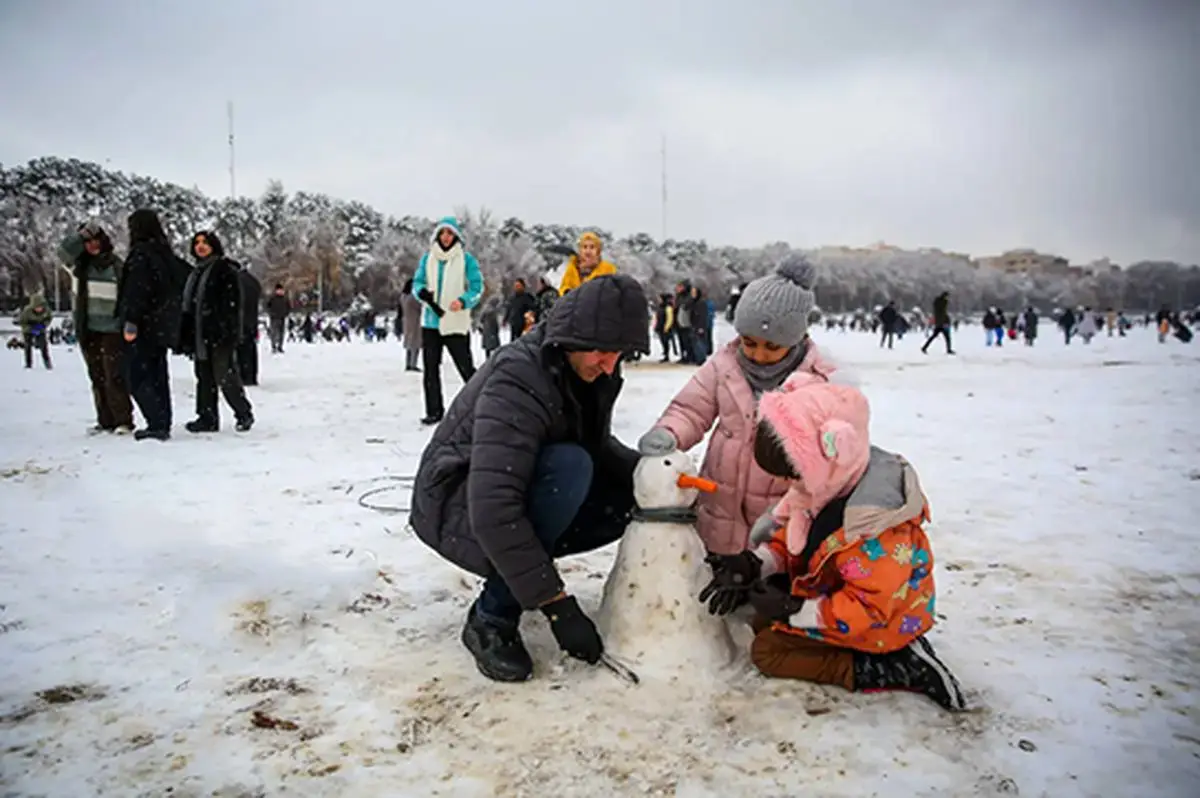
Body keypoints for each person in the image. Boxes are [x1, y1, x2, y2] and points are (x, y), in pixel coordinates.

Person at [409, 274, 649, 683]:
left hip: (520, 491)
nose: (611, 366)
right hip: (459, 505)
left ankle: (520, 576)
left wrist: (653, 478)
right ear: (575, 337)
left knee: (628, 491)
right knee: (570, 469)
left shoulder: (586, 371)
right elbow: (494, 507)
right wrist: (557, 606)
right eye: (604, 352)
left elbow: (597, 445)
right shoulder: (519, 377)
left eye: (620, 354)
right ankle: (491, 617)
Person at [699, 373, 967, 711]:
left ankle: (896, 665)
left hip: (882, 620)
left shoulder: (874, 529)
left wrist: (796, 609)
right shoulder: (824, 485)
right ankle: (846, 643)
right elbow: (794, 541)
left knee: (769, 652)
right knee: (762, 620)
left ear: (830, 451)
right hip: (838, 597)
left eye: (791, 473)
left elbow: (871, 606)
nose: (784, 483)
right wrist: (757, 563)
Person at [638, 256, 835, 557]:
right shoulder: (724, 365)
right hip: (721, 495)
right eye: (749, 341)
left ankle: (769, 570)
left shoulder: (818, 381)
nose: (758, 354)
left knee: (768, 561)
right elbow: (691, 409)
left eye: (772, 346)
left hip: (780, 505)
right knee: (717, 550)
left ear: (797, 339)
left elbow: (834, 450)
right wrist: (669, 432)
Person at [58, 220, 134, 433]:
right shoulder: (78, 267)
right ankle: (105, 419)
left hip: (112, 328)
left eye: (95, 240)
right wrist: (80, 235)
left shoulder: (116, 266)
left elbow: (126, 296)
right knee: (96, 374)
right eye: (87, 242)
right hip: (87, 327)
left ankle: (123, 419)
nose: (92, 245)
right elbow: (62, 252)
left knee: (114, 375)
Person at [117, 208, 184, 441]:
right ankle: (162, 420)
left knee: (136, 375)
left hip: (144, 324)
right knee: (158, 375)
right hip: (162, 325)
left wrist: (131, 320)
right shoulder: (166, 255)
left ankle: (155, 420)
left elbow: (136, 292)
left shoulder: (141, 256)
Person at [179, 231, 253, 433]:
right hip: (200, 333)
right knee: (204, 376)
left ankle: (243, 412)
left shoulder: (224, 270)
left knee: (224, 375)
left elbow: (232, 304)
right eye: (197, 243)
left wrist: (225, 329)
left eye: (205, 242)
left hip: (219, 333)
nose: (200, 246)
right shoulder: (196, 272)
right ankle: (207, 417)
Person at [413, 217, 484, 425]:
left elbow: (477, 287)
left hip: (455, 323)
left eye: (450, 233)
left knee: (466, 368)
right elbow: (417, 283)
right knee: (430, 369)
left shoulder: (466, 260)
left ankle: (482, 405)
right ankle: (434, 410)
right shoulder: (428, 259)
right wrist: (421, 293)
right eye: (442, 233)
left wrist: (463, 301)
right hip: (431, 323)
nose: (445, 237)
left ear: (456, 236)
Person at [236, 265, 262, 385]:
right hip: (251, 320)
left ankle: (242, 375)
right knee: (250, 348)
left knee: (240, 349)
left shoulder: (235, 280)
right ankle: (251, 375)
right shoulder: (252, 281)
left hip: (239, 320)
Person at [18, 292, 53, 370]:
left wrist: (44, 325)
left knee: (43, 345)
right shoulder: (26, 311)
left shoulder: (46, 310)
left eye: (40, 307)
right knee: (28, 345)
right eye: (37, 307)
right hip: (28, 329)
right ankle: (28, 363)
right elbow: (22, 322)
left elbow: (49, 318)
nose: (39, 309)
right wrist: (30, 329)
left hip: (40, 328)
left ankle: (47, 362)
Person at [399, 278, 423, 372]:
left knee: (408, 344)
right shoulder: (413, 297)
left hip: (406, 321)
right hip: (415, 321)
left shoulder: (403, 296)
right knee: (415, 344)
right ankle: (413, 364)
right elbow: (420, 306)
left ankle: (408, 363)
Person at [266, 283, 290, 354]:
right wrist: (271, 313)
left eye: (281, 290)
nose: (280, 291)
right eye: (279, 290)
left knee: (281, 333)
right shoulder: (272, 298)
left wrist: (286, 313)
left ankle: (280, 346)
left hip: (282, 317)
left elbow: (288, 307)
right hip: (274, 318)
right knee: (274, 333)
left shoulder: (285, 299)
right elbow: (268, 306)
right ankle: (273, 346)